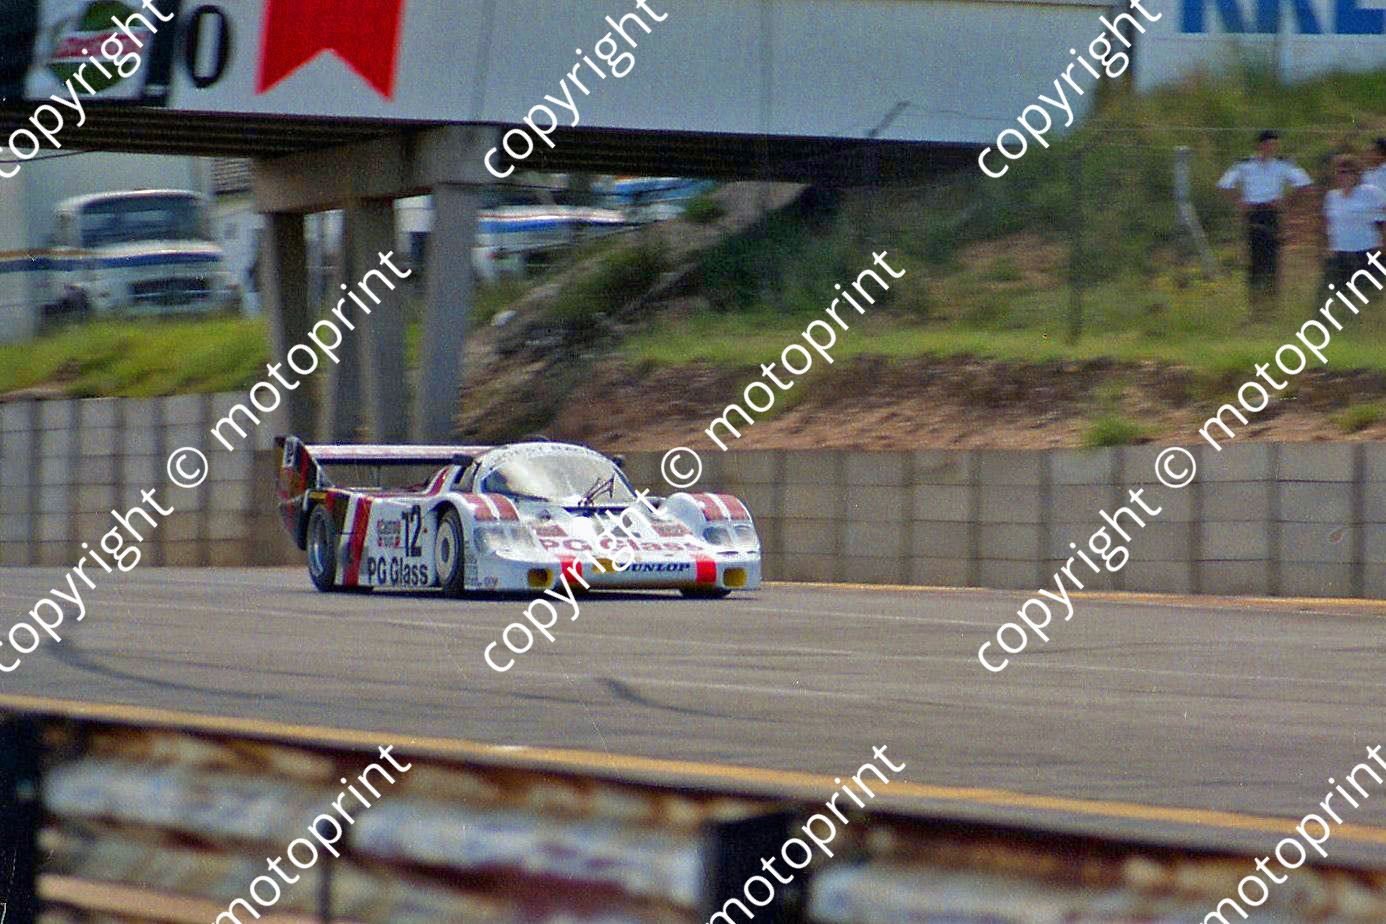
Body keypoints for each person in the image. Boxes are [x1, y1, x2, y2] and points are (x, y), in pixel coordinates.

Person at [1218, 130, 1313, 319]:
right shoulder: (1244, 164)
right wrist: (1239, 202)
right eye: (1269, 145)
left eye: (1275, 145)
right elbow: (1224, 185)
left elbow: (1304, 184)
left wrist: (1287, 202)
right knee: (1254, 263)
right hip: (1253, 214)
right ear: (1260, 145)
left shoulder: (1283, 164)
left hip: (1272, 214)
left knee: (1272, 263)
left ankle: (1271, 309)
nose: (1272, 149)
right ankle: (1255, 309)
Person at [1322, 154, 1386, 300]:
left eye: (1348, 172)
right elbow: (1327, 223)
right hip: (1341, 252)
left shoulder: (1370, 192)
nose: (1343, 176)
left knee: (1369, 296)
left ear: (1356, 174)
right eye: (1340, 172)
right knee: (1342, 296)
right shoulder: (1332, 196)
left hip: (1366, 251)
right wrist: (1327, 247)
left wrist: (1383, 243)